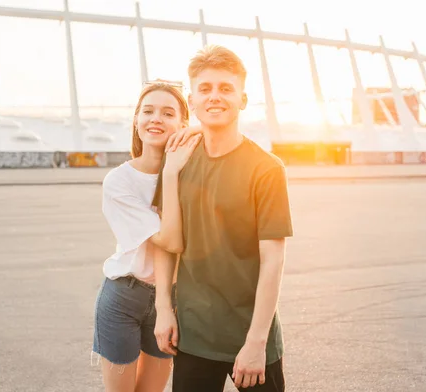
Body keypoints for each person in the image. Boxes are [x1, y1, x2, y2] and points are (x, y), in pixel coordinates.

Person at [153, 45, 294, 392]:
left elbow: (273, 260)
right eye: (205, 89)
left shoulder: (267, 169)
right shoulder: (176, 161)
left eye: (225, 88)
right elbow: (165, 243)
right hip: (193, 335)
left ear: (242, 99)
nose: (215, 97)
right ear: (192, 100)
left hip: (251, 335)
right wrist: (163, 310)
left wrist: (257, 342)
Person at [92, 82, 201, 392]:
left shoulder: (193, 174)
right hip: (123, 296)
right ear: (136, 121)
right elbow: (169, 241)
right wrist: (170, 174)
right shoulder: (119, 181)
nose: (156, 119)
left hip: (173, 297)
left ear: (182, 124)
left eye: (168, 113)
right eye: (148, 111)